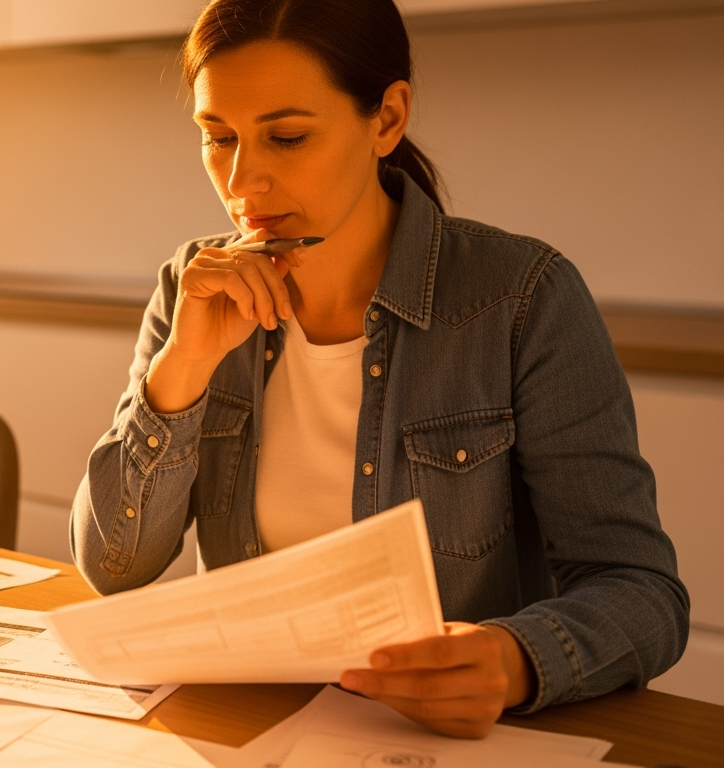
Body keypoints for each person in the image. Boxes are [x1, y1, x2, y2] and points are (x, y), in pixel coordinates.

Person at [70, 0, 688, 738]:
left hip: (429, 744)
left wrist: (515, 657)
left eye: (287, 136)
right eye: (218, 137)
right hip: (246, 727)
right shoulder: (191, 286)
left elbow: (641, 589)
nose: (243, 181)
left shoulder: (520, 299)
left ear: (388, 118)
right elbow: (112, 566)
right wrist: (186, 365)